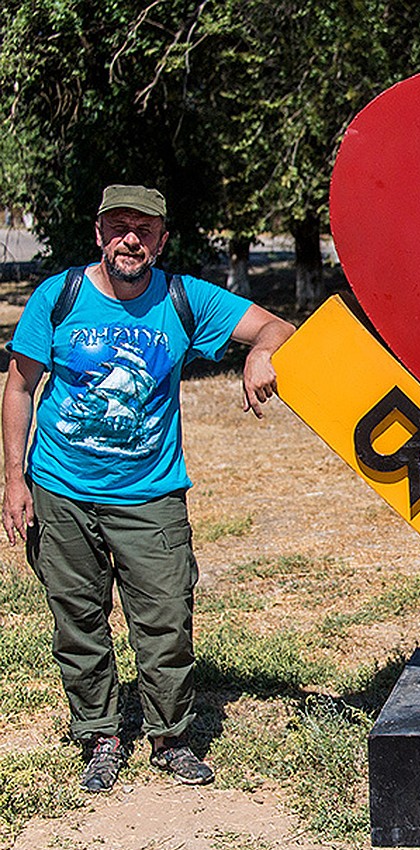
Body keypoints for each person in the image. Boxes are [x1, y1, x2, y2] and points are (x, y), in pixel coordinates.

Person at [2, 185, 296, 791]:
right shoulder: (58, 297)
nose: (130, 239)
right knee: (78, 618)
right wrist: (14, 481)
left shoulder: (183, 299)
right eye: (118, 227)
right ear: (99, 234)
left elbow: (278, 327)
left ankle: (169, 738)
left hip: (153, 494)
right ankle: (101, 736)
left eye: (144, 229)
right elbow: (19, 387)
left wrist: (259, 355)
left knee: (166, 621)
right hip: (61, 489)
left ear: (162, 240)